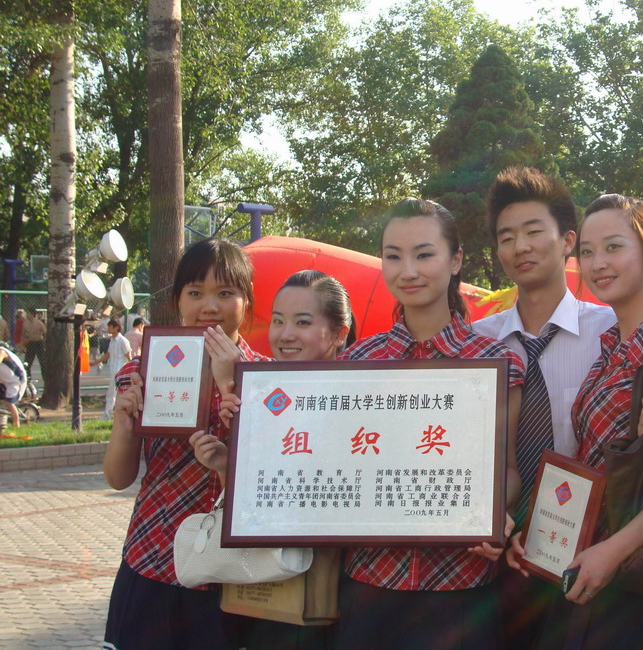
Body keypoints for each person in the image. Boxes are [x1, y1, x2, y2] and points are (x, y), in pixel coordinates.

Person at [514, 193, 643, 649]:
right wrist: (539, 534)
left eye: (614, 247)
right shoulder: (611, 345)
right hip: (590, 564)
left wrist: (614, 550)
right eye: (587, 251)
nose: (598, 263)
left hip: (639, 578)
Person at [332, 197, 524, 650]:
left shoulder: (496, 363)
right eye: (393, 256)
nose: (408, 271)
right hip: (370, 583)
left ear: (455, 261)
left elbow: (508, 469)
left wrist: (494, 512)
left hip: (459, 586)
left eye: (424, 255)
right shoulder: (357, 362)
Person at [102, 238, 271, 650]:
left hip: (235, 575)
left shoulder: (269, 381)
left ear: (246, 300)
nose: (209, 306)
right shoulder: (143, 371)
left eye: (225, 293)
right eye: (195, 293)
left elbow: (266, 481)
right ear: (178, 300)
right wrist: (124, 422)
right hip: (153, 559)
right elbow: (118, 478)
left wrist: (231, 383)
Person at [473, 167, 616, 648]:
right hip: (495, 560)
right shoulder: (478, 345)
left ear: (568, 241)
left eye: (534, 232)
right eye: (506, 237)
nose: (520, 247)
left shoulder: (611, 333)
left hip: (587, 558)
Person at [191, 269, 356, 650]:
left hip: (339, 589)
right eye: (278, 321)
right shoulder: (263, 395)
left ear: (339, 333)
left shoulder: (358, 398)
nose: (285, 335)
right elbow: (253, 509)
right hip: (270, 591)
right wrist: (227, 464)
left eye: (303, 322)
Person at [92, 319, 132, 419]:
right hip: (114, 370)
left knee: (112, 393)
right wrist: (95, 362)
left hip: (120, 371)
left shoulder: (123, 340)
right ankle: (116, 414)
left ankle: (107, 414)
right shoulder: (112, 340)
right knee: (116, 393)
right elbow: (108, 355)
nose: (108, 329)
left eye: (110, 327)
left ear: (116, 328)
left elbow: (129, 356)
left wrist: (131, 369)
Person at [0, 344, 28, 428]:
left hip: (16, 381)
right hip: (4, 381)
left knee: (9, 403)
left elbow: (1, 356)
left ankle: (17, 426)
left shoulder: (2, 352)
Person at [21, 309, 46, 378]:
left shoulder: (39, 323)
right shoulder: (25, 324)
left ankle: (45, 378)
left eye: (28, 314)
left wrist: (45, 344)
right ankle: (28, 378)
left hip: (39, 343)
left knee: (43, 362)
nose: (27, 315)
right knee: (27, 363)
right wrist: (22, 345)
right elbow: (23, 335)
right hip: (31, 343)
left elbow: (45, 333)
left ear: (33, 314)